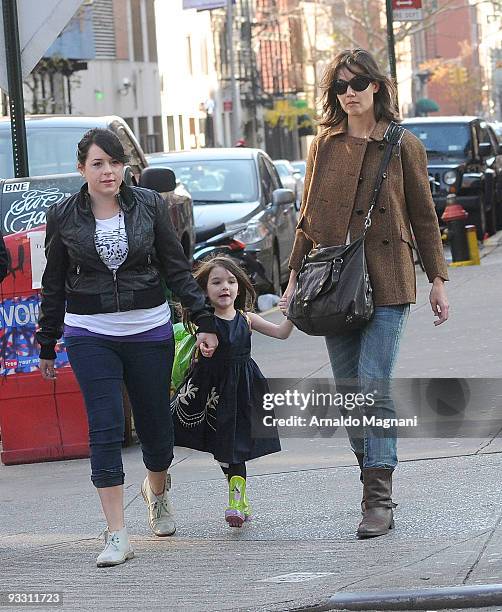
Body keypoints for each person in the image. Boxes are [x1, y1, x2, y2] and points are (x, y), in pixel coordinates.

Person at [280, 49, 449, 539]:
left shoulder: (402, 144)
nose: (349, 93)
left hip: (390, 278)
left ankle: (377, 497)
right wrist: (293, 278)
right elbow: (307, 220)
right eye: (340, 86)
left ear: (377, 86)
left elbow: (423, 215)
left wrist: (437, 279)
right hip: (335, 285)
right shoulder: (324, 146)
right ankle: (369, 470)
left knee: (373, 383)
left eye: (358, 84)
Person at [36, 128, 218, 567]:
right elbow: (53, 282)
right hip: (89, 332)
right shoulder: (63, 215)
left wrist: (205, 320)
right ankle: (117, 533)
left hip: (148, 328)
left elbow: (177, 269)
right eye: (98, 164)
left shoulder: (150, 206)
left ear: (125, 168)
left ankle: (156, 491)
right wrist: (47, 340)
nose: (108, 172)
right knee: (106, 426)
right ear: (81, 170)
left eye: (114, 163)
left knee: (157, 430)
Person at [171, 256, 293, 527]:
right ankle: (237, 496)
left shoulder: (246, 319)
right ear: (203, 290)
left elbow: (282, 333)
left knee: (233, 447)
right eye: (216, 282)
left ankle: (236, 501)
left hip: (242, 390)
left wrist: (292, 312)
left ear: (240, 287)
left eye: (231, 281)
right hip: (209, 392)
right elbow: (198, 344)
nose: (224, 287)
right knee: (220, 446)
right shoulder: (203, 322)